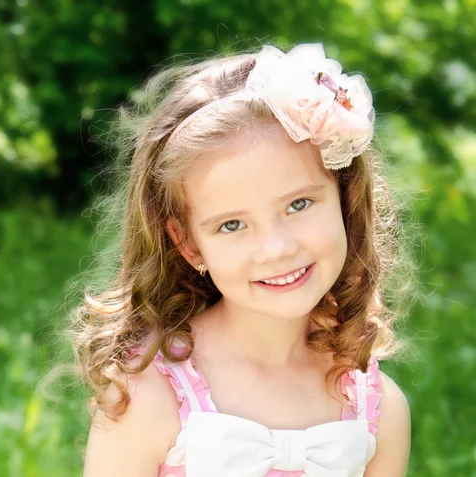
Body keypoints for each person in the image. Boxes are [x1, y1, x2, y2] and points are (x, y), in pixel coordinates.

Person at [73, 42, 417, 476]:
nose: (277, 248)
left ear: (345, 198)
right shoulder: (149, 394)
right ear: (189, 244)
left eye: (298, 205)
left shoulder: (377, 409)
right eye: (232, 225)